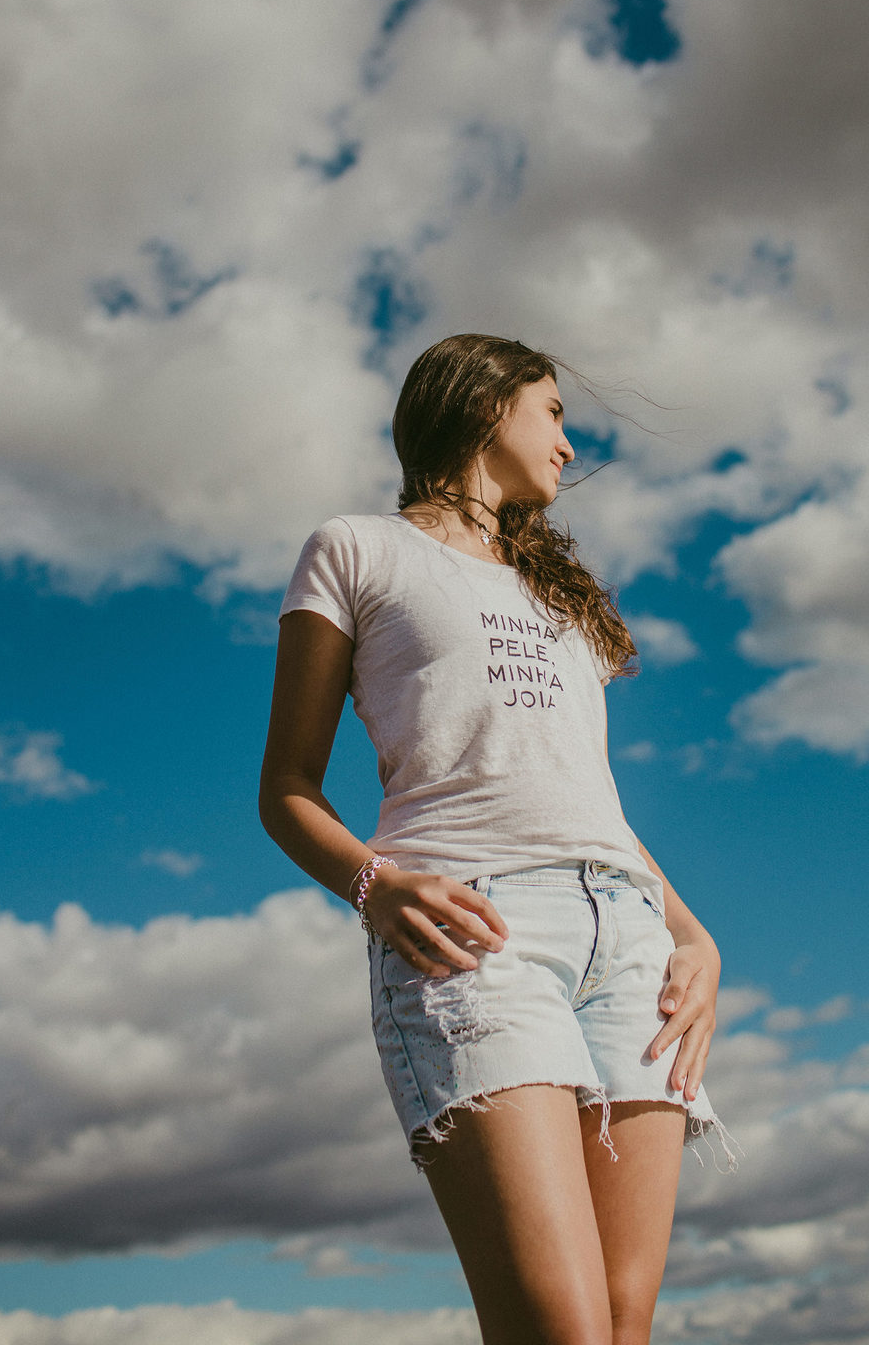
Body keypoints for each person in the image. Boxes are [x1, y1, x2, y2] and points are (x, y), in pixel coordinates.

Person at [259, 334, 734, 1345]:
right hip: (479, 933)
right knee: (558, 1330)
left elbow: (587, 803)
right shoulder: (356, 549)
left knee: (620, 1325)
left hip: (631, 943)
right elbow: (287, 787)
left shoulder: (562, 598)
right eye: (552, 411)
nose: (568, 443)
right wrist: (373, 882)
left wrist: (695, 937)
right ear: (485, 404)